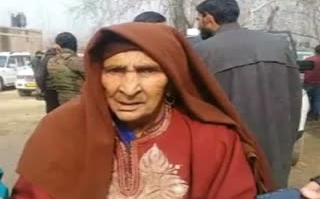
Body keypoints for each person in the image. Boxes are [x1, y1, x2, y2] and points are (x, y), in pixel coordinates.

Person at [11, 23, 274, 199]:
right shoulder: (61, 129)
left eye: (148, 71)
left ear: (172, 77)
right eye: (115, 71)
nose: (129, 88)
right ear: (97, 75)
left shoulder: (214, 140)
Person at [195, 0, 302, 188]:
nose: (198, 24)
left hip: (233, 150)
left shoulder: (203, 52)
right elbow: (295, 97)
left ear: (208, 18)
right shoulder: (278, 44)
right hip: (278, 142)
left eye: (198, 19)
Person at [47, 32, 85, 105]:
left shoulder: (51, 61)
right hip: (80, 101)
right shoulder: (76, 61)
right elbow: (93, 79)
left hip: (61, 101)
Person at [35, 48, 60, 113]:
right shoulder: (60, 59)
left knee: (51, 111)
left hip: (49, 89)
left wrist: (43, 88)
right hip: (62, 89)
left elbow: (39, 76)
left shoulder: (45, 60)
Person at [304, 45, 320, 121]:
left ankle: (306, 116)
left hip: (307, 83)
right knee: (317, 101)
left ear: (315, 51)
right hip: (319, 84)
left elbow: (302, 70)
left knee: (306, 100)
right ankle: (315, 116)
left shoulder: (309, 59)